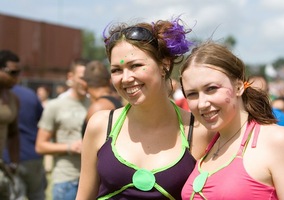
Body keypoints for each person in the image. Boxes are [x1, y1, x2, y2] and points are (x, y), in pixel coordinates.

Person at [76, 17, 211, 200]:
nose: (125, 78)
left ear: (164, 65)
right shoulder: (100, 125)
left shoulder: (199, 131)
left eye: (136, 66)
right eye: (116, 70)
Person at [180, 41, 284, 199]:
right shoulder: (207, 144)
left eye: (211, 89)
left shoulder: (277, 140)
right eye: (192, 94)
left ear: (238, 86)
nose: (202, 103)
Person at [35, 58, 89, 200]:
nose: (86, 82)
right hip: (66, 181)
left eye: (89, 78)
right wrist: (70, 147)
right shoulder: (55, 106)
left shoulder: (96, 104)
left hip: (91, 180)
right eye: (82, 78)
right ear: (70, 77)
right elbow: (40, 146)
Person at [0, 50, 24, 199]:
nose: (16, 78)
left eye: (18, 73)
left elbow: (13, 133)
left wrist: (14, 163)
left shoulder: (13, 99)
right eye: (12, 72)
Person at [81, 60, 123, 136]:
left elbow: (93, 145)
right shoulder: (118, 102)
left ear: (84, 84)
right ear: (110, 81)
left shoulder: (97, 109)